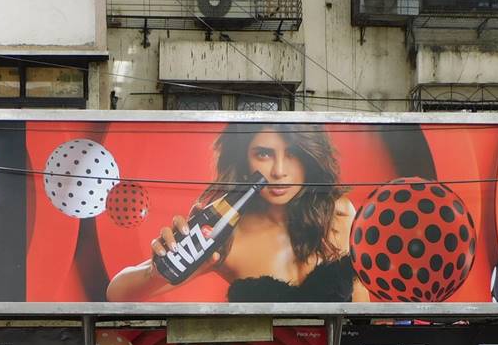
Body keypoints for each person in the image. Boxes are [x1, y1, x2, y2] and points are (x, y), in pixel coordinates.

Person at [105, 123, 367, 302]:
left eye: (292, 154)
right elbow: (117, 293)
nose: (279, 171)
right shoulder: (225, 235)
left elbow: (359, 308)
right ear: (244, 162)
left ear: (310, 158)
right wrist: (154, 273)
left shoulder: (339, 213)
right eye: (263, 154)